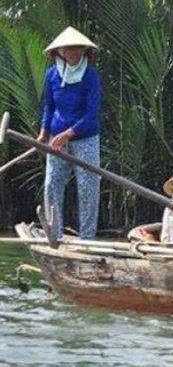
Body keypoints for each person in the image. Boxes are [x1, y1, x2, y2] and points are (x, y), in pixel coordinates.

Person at [38, 27, 102, 240]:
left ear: (83, 51)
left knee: (88, 190)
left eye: (77, 48)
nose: (73, 52)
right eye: (68, 49)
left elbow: (92, 113)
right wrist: (43, 133)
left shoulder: (91, 76)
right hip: (56, 139)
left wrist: (69, 133)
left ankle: (87, 240)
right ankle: (54, 235)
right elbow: (48, 106)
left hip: (85, 138)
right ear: (60, 52)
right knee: (51, 185)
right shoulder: (52, 75)